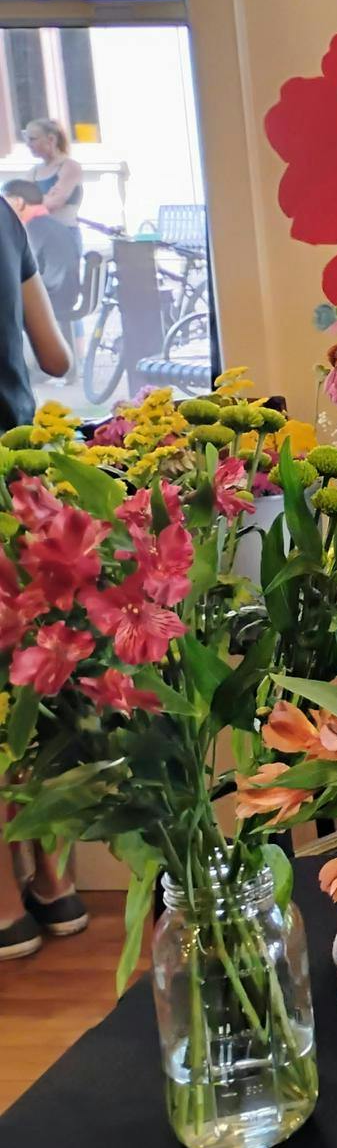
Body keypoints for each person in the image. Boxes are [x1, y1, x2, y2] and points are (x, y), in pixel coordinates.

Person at [0, 199, 80, 959]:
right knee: (29, 677)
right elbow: (55, 359)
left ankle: (2, 902)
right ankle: (53, 884)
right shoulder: (4, 217)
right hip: (18, 478)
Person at [3, 179, 82, 347]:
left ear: (18, 202)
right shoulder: (53, 225)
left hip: (51, 296)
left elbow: (18, 269)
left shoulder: (32, 228)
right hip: (64, 293)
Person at [22, 118, 84, 230]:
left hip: (63, 235)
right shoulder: (33, 172)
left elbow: (55, 203)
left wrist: (31, 202)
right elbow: (17, 203)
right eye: (26, 138)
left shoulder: (69, 166)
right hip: (37, 238)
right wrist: (43, 199)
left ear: (51, 139)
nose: (28, 144)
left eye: (32, 139)